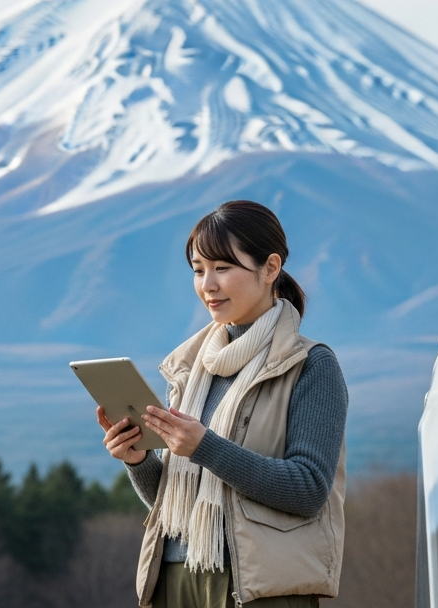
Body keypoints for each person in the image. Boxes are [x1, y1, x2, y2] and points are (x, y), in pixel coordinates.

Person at [97, 200, 348, 608]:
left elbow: (308, 490)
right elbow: (175, 501)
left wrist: (204, 447)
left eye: (223, 268)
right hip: (174, 578)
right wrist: (138, 459)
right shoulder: (188, 370)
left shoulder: (311, 365)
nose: (207, 284)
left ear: (270, 268)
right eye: (198, 270)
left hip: (257, 587)